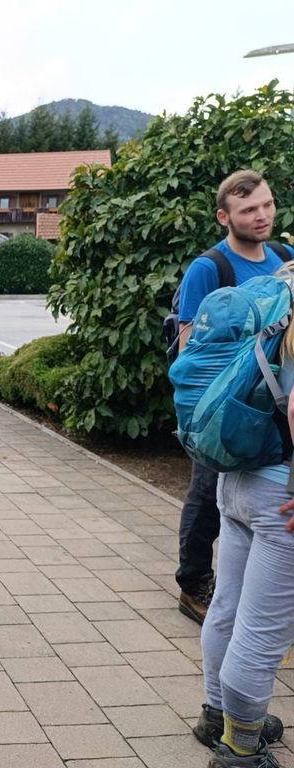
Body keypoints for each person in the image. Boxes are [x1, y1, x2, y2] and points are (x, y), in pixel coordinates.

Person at [174, 170, 294, 624]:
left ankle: (244, 591)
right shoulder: (211, 268)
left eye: (267, 204)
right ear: (224, 217)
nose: (262, 215)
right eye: (248, 210)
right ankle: (193, 583)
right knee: (207, 493)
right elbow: (191, 347)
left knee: (253, 502)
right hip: (223, 407)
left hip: (274, 408)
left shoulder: (285, 257)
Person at [196, 264, 294, 767]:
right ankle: (240, 748)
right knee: (260, 632)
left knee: (228, 608)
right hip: (282, 496)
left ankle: (218, 714)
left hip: (237, 478)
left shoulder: (278, 296)